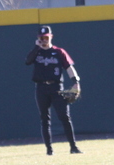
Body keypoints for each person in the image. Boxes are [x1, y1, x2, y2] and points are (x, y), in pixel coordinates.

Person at [25, 25, 82, 155]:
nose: (44, 40)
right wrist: (36, 47)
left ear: (51, 37)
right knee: (45, 119)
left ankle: (73, 147)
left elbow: (69, 67)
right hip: (41, 88)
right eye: (41, 38)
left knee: (64, 117)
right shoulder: (37, 51)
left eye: (46, 37)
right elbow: (27, 61)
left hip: (56, 87)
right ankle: (49, 150)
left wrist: (76, 82)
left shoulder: (59, 51)